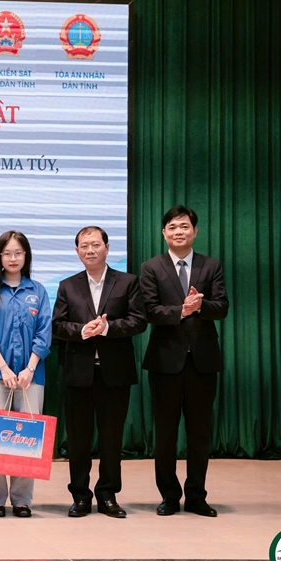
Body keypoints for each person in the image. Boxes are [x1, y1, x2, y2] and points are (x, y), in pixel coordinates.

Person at [52, 226, 147, 518]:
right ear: (77, 251)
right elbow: (57, 325)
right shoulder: (67, 285)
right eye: (84, 246)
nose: (90, 250)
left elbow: (139, 320)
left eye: (95, 244)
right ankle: (80, 496)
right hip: (77, 373)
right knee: (78, 440)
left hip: (114, 373)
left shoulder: (128, 282)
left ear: (107, 247)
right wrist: (82, 330)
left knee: (111, 439)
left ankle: (108, 495)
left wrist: (107, 328)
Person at [140, 206, 229, 517]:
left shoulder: (211, 265)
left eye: (185, 226)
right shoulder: (151, 267)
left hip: (203, 362)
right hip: (164, 361)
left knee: (199, 433)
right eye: (173, 227)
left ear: (195, 231)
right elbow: (149, 311)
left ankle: (196, 496)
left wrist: (200, 306)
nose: (179, 231)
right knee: (165, 433)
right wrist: (182, 310)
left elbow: (222, 307)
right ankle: (169, 495)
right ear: (164, 233)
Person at [0, 231, 51, 518]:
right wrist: (4, 368)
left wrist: (30, 367)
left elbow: (44, 332)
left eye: (18, 253)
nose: (13, 258)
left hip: (32, 376)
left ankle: (22, 500)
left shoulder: (38, 291)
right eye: (7, 253)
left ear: (26, 256)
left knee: (27, 436)